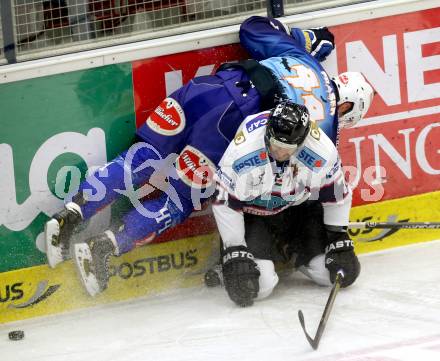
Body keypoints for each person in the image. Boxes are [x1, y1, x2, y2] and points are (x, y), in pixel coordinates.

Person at [44, 16, 371, 297]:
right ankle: (103, 248)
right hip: (228, 128)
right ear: (345, 107)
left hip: (207, 90)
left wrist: (304, 39)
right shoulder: (322, 128)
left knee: (143, 156)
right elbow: (304, 183)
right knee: (180, 195)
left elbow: (252, 28)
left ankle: (71, 213)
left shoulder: (303, 57)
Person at [212, 99, 360, 307]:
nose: (279, 153)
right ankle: (252, 257)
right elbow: (224, 202)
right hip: (255, 217)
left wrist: (338, 237)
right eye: (275, 145)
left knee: (330, 275)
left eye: (287, 148)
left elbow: (336, 194)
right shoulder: (242, 152)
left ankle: (297, 254)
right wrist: (234, 251)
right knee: (260, 287)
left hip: (299, 211)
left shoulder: (320, 151)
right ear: (267, 133)